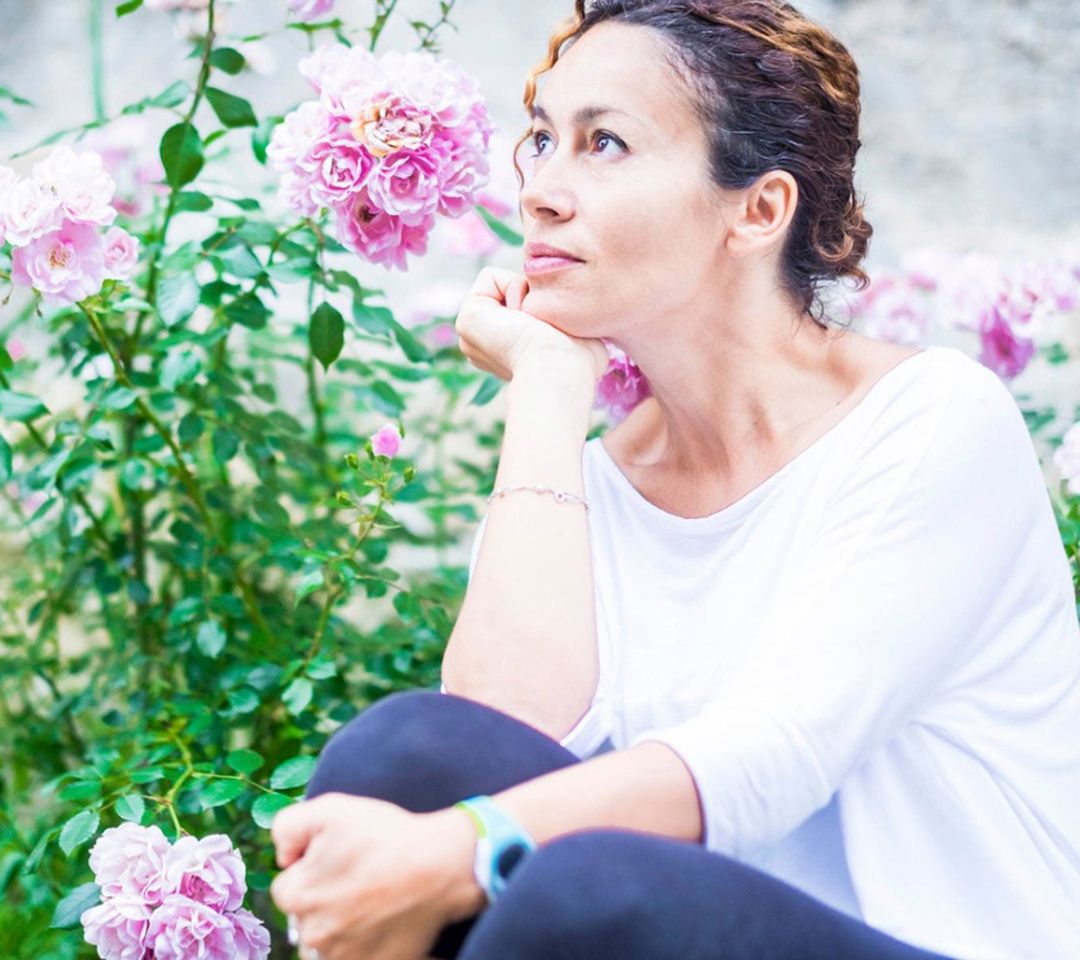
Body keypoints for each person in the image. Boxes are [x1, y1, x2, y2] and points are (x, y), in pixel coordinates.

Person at [267, 2, 1080, 958]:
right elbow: (493, 736)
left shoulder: (931, 421)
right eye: (540, 139)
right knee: (400, 752)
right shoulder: (589, 489)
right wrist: (547, 388)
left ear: (758, 209)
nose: (540, 192)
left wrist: (467, 847)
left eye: (604, 142)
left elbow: (780, 750)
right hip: (678, 928)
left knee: (587, 883)